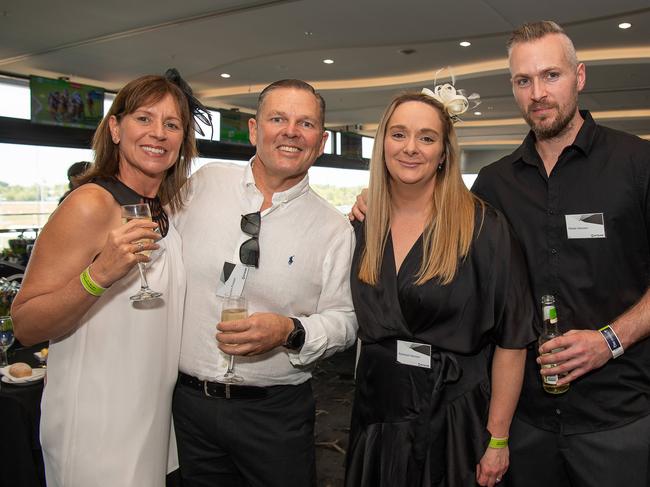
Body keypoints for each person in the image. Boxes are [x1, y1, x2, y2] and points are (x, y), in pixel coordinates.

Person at [470, 21, 650, 487]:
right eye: (523, 81)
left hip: (620, 417)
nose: (538, 93)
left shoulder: (637, 163)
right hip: (524, 419)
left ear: (580, 76)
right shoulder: (494, 183)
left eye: (551, 75)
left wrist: (608, 341)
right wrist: (376, 205)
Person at [12, 69, 206, 487]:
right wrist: (98, 275)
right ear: (115, 128)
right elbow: (26, 323)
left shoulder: (161, 209)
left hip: (150, 416)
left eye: (172, 124)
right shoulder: (90, 204)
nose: (158, 133)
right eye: (144, 118)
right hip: (98, 424)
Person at [172, 79, 357, 487]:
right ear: (255, 129)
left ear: (321, 140)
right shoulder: (202, 185)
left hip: (275, 415)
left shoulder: (333, 229)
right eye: (278, 118)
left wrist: (290, 331)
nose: (291, 131)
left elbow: (345, 320)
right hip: (187, 409)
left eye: (305, 123)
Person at [345, 91, 535, 487]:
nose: (411, 148)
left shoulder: (484, 228)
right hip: (377, 413)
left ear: (444, 152)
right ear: (382, 145)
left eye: (427, 138)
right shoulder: (365, 223)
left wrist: (498, 438)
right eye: (399, 135)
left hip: (452, 419)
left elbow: (513, 342)